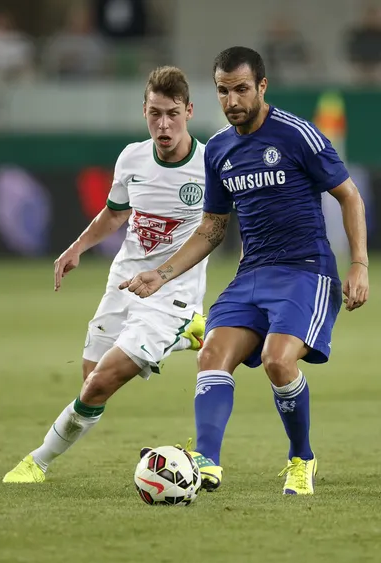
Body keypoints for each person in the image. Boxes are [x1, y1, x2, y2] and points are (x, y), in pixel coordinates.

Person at [121, 47, 369, 495]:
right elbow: (213, 228)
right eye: (222, 90)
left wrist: (359, 264)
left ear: (262, 87)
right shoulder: (218, 149)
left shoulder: (298, 135)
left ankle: (301, 459)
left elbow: (349, 195)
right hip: (252, 273)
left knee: (278, 361)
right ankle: (206, 463)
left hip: (305, 271)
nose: (232, 100)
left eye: (240, 89)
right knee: (211, 354)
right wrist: (162, 273)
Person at [3, 66, 207, 483]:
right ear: (144, 111)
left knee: (99, 384)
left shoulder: (210, 165)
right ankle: (188, 335)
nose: (162, 124)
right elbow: (115, 213)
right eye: (154, 114)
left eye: (172, 114)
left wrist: (166, 276)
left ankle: (37, 462)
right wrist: (77, 247)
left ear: (189, 110)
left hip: (172, 294)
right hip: (123, 283)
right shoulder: (132, 157)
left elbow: (217, 228)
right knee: (89, 377)